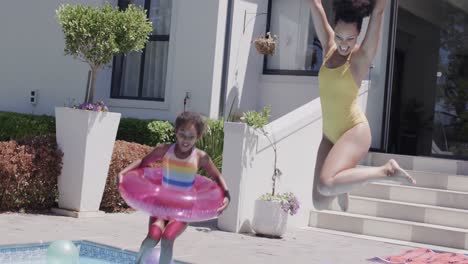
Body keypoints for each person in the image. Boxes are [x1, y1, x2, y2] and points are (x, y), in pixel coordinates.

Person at [309, 0, 416, 211]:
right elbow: (315, 5)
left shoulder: (360, 58)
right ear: (334, 29)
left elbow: (378, 12)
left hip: (354, 131)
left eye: (350, 38)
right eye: (339, 36)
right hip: (329, 135)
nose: (343, 43)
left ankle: (386, 170)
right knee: (319, 202)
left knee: (326, 184)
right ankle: (345, 180)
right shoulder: (329, 46)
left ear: (359, 34)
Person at [118, 111, 230, 264]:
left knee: (168, 237)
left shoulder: (200, 157)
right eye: (182, 134)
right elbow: (143, 162)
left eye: (191, 136)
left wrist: (227, 195)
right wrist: (123, 173)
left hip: (182, 209)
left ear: (197, 137)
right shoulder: (165, 149)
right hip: (161, 205)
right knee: (153, 237)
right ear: (176, 132)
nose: (185, 140)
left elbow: (217, 177)